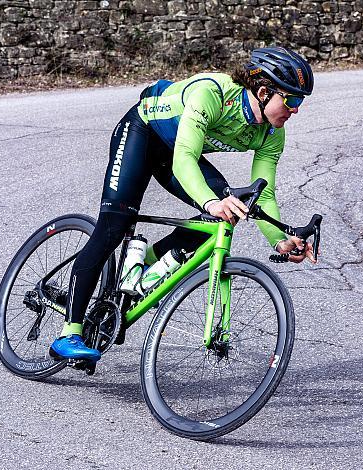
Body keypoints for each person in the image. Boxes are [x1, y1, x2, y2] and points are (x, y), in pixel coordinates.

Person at [49, 46, 317, 362]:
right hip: (142, 133)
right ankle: (70, 333)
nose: (296, 110)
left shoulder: (272, 133)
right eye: (292, 100)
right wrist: (210, 201)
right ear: (262, 92)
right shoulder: (212, 94)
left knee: (229, 210)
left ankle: (142, 268)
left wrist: (280, 240)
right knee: (115, 225)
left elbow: (264, 193)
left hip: (175, 152)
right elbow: (185, 160)